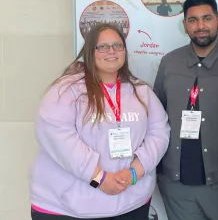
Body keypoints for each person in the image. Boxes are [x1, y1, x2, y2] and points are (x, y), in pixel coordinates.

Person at [29, 23, 170, 220]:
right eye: (102, 46)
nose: (111, 51)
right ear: (89, 51)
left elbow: (159, 133)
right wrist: (98, 178)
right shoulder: (65, 91)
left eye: (117, 45)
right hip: (67, 209)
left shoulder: (141, 91)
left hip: (131, 204)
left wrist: (135, 172)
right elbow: (58, 137)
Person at [154, 0, 218, 220]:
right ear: (185, 25)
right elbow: (156, 119)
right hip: (176, 185)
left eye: (207, 18)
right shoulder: (169, 62)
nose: (200, 26)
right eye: (193, 20)